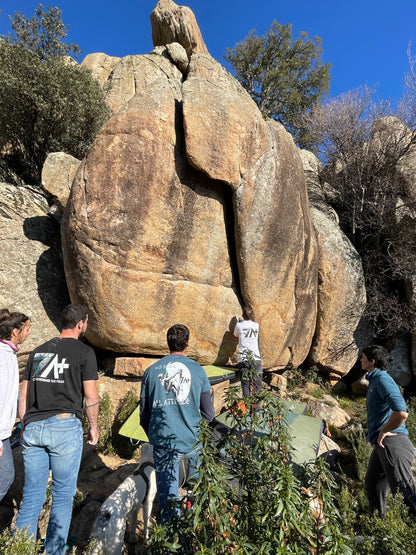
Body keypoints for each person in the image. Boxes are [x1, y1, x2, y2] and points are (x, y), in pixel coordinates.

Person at [15, 304, 99, 555]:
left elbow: (24, 394)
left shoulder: (39, 352)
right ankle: (53, 552)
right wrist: (93, 426)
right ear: (81, 324)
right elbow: (91, 395)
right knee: (63, 497)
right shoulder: (85, 353)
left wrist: (24, 423)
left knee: (31, 497)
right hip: (64, 427)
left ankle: (20, 549)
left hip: (33, 427)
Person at [140, 323, 214, 523]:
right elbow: (208, 413)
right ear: (187, 343)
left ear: (168, 343)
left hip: (164, 442)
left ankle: (171, 542)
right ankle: (194, 528)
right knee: (196, 490)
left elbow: (144, 415)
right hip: (194, 441)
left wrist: (155, 437)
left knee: (169, 498)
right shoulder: (198, 370)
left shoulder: (151, 372)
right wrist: (196, 432)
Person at [361, 344, 416, 516]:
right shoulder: (375, 380)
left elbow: (401, 412)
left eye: (363, 357)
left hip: (393, 443)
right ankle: (378, 529)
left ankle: (409, 535)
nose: (360, 359)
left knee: (406, 495)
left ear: (372, 360)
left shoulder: (383, 380)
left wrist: (385, 430)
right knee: (373, 484)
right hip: (383, 445)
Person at [0, 309, 31, 502]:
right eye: (26, 329)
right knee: (5, 476)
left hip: (4, 432)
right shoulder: (3, 357)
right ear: (15, 332)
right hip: (0, 434)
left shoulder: (8, 354)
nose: (28, 333)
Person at [233, 306, 262, 397]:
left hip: (243, 358)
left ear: (243, 315)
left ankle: (247, 406)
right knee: (257, 384)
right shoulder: (256, 325)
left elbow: (235, 336)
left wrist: (240, 321)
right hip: (255, 357)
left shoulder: (238, 325)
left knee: (245, 384)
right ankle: (257, 408)